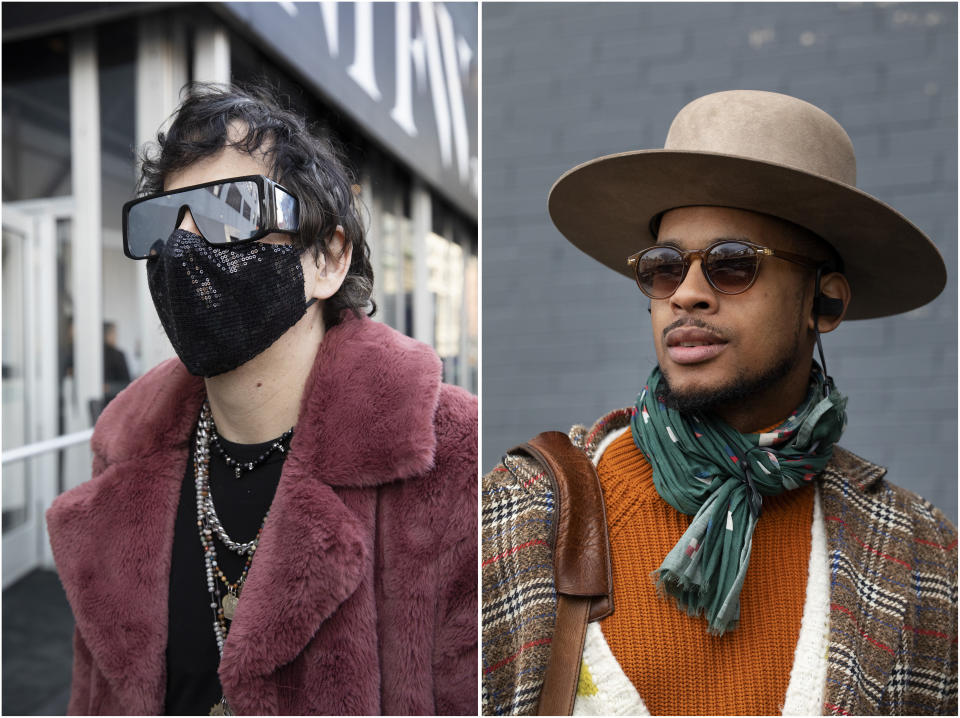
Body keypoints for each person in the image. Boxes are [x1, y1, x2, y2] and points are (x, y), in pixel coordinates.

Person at [481, 91, 957, 716]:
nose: (688, 294)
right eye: (663, 267)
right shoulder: (520, 513)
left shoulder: (924, 559)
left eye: (734, 265)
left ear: (826, 304)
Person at [47, 83, 477, 716]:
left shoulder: (457, 458)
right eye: (160, 222)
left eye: (228, 209)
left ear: (329, 258)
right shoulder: (122, 463)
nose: (182, 247)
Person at [102, 321, 131, 406]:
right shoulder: (118, 355)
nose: (116, 336)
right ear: (107, 335)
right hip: (115, 404)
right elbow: (127, 384)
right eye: (114, 333)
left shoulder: (96, 356)